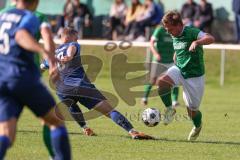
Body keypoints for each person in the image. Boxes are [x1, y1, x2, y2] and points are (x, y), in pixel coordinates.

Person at [43, 27, 153, 140]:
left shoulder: (52, 55)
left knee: (72, 106)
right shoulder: (73, 45)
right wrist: (70, 56)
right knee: (109, 111)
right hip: (79, 85)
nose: (77, 41)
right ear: (68, 36)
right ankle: (133, 132)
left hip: (61, 89)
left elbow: (42, 67)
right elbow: (72, 48)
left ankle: (85, 128)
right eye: (76, 38)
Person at [0, 0, 71, 159]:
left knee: (6, 134)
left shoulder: (3, 14)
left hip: (2, 77)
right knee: (55, 120)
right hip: (23, 76)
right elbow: (22, 35)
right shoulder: (32, 16)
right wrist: (45, 53)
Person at [157, 11, 215, 141]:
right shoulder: (174, 34)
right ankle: (169, 109)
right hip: (179, 70)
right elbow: (179, 46)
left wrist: (197, 42)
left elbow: (211, 38)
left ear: (178, 25)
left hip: (194, 76)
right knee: (161, 82)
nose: (168, 32)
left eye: (170, 29)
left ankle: (197, 126)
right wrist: (176, 54)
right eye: (166, 29)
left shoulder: (191, 32)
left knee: (192, 112)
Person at [142, 25, 179, 107]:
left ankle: (175, 101)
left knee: (175, 80)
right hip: (159, 60)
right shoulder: (159, 30)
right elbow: (151, 43)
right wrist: (155, 54)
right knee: (153, 80)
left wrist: (176, 55)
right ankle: (144, 98)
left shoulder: (175, 30)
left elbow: (178, 43)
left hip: (170, 60)